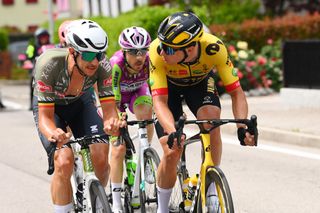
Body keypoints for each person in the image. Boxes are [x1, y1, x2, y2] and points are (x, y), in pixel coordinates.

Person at [148, 11, 256, 213]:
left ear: (190, 48)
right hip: (168, 90)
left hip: (199, 84)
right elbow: (160, 102)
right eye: (162, 46)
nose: (163, 52)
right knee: (172, 151)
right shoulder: (156, 51)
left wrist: (243, 126)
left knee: (211, 122)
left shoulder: (214, 47)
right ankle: (162, 208)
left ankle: (212, 186)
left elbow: (236, 92)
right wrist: (173, 131)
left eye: (170, 50)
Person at [32, 19, 125, 213]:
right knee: (64, 161)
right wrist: (54, 133)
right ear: (72, 51)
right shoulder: (48, 64)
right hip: (52, 108)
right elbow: (45, 118)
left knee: (101, 154)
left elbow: (108, 110)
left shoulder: (103, 65)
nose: (94, 62)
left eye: (99, 54)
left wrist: (112, 122)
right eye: (89, 54)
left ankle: (98, 205)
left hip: (79, 103)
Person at [109, 26, 153, 212]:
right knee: (118, 149)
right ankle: (117, 202)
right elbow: (112, 97)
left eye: (143, 51)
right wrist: (119, 116)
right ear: (124, 52)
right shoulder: (116, 64)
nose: (139, 57)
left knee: (146, 115)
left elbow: (155, 87)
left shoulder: (150, 62)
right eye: (134, 52)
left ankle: (147, 154)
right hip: (116, 97)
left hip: (137, 92)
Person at [25, 28, 53, 110]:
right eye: (41, 37)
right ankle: (32, 104)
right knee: (33, 87)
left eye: (45, 37)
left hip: (50, 70)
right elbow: (28, 57)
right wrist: (29, 61)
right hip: (36, 70)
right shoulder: (32, 47)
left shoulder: (52, 46)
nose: (44, 39)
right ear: (38, 38)